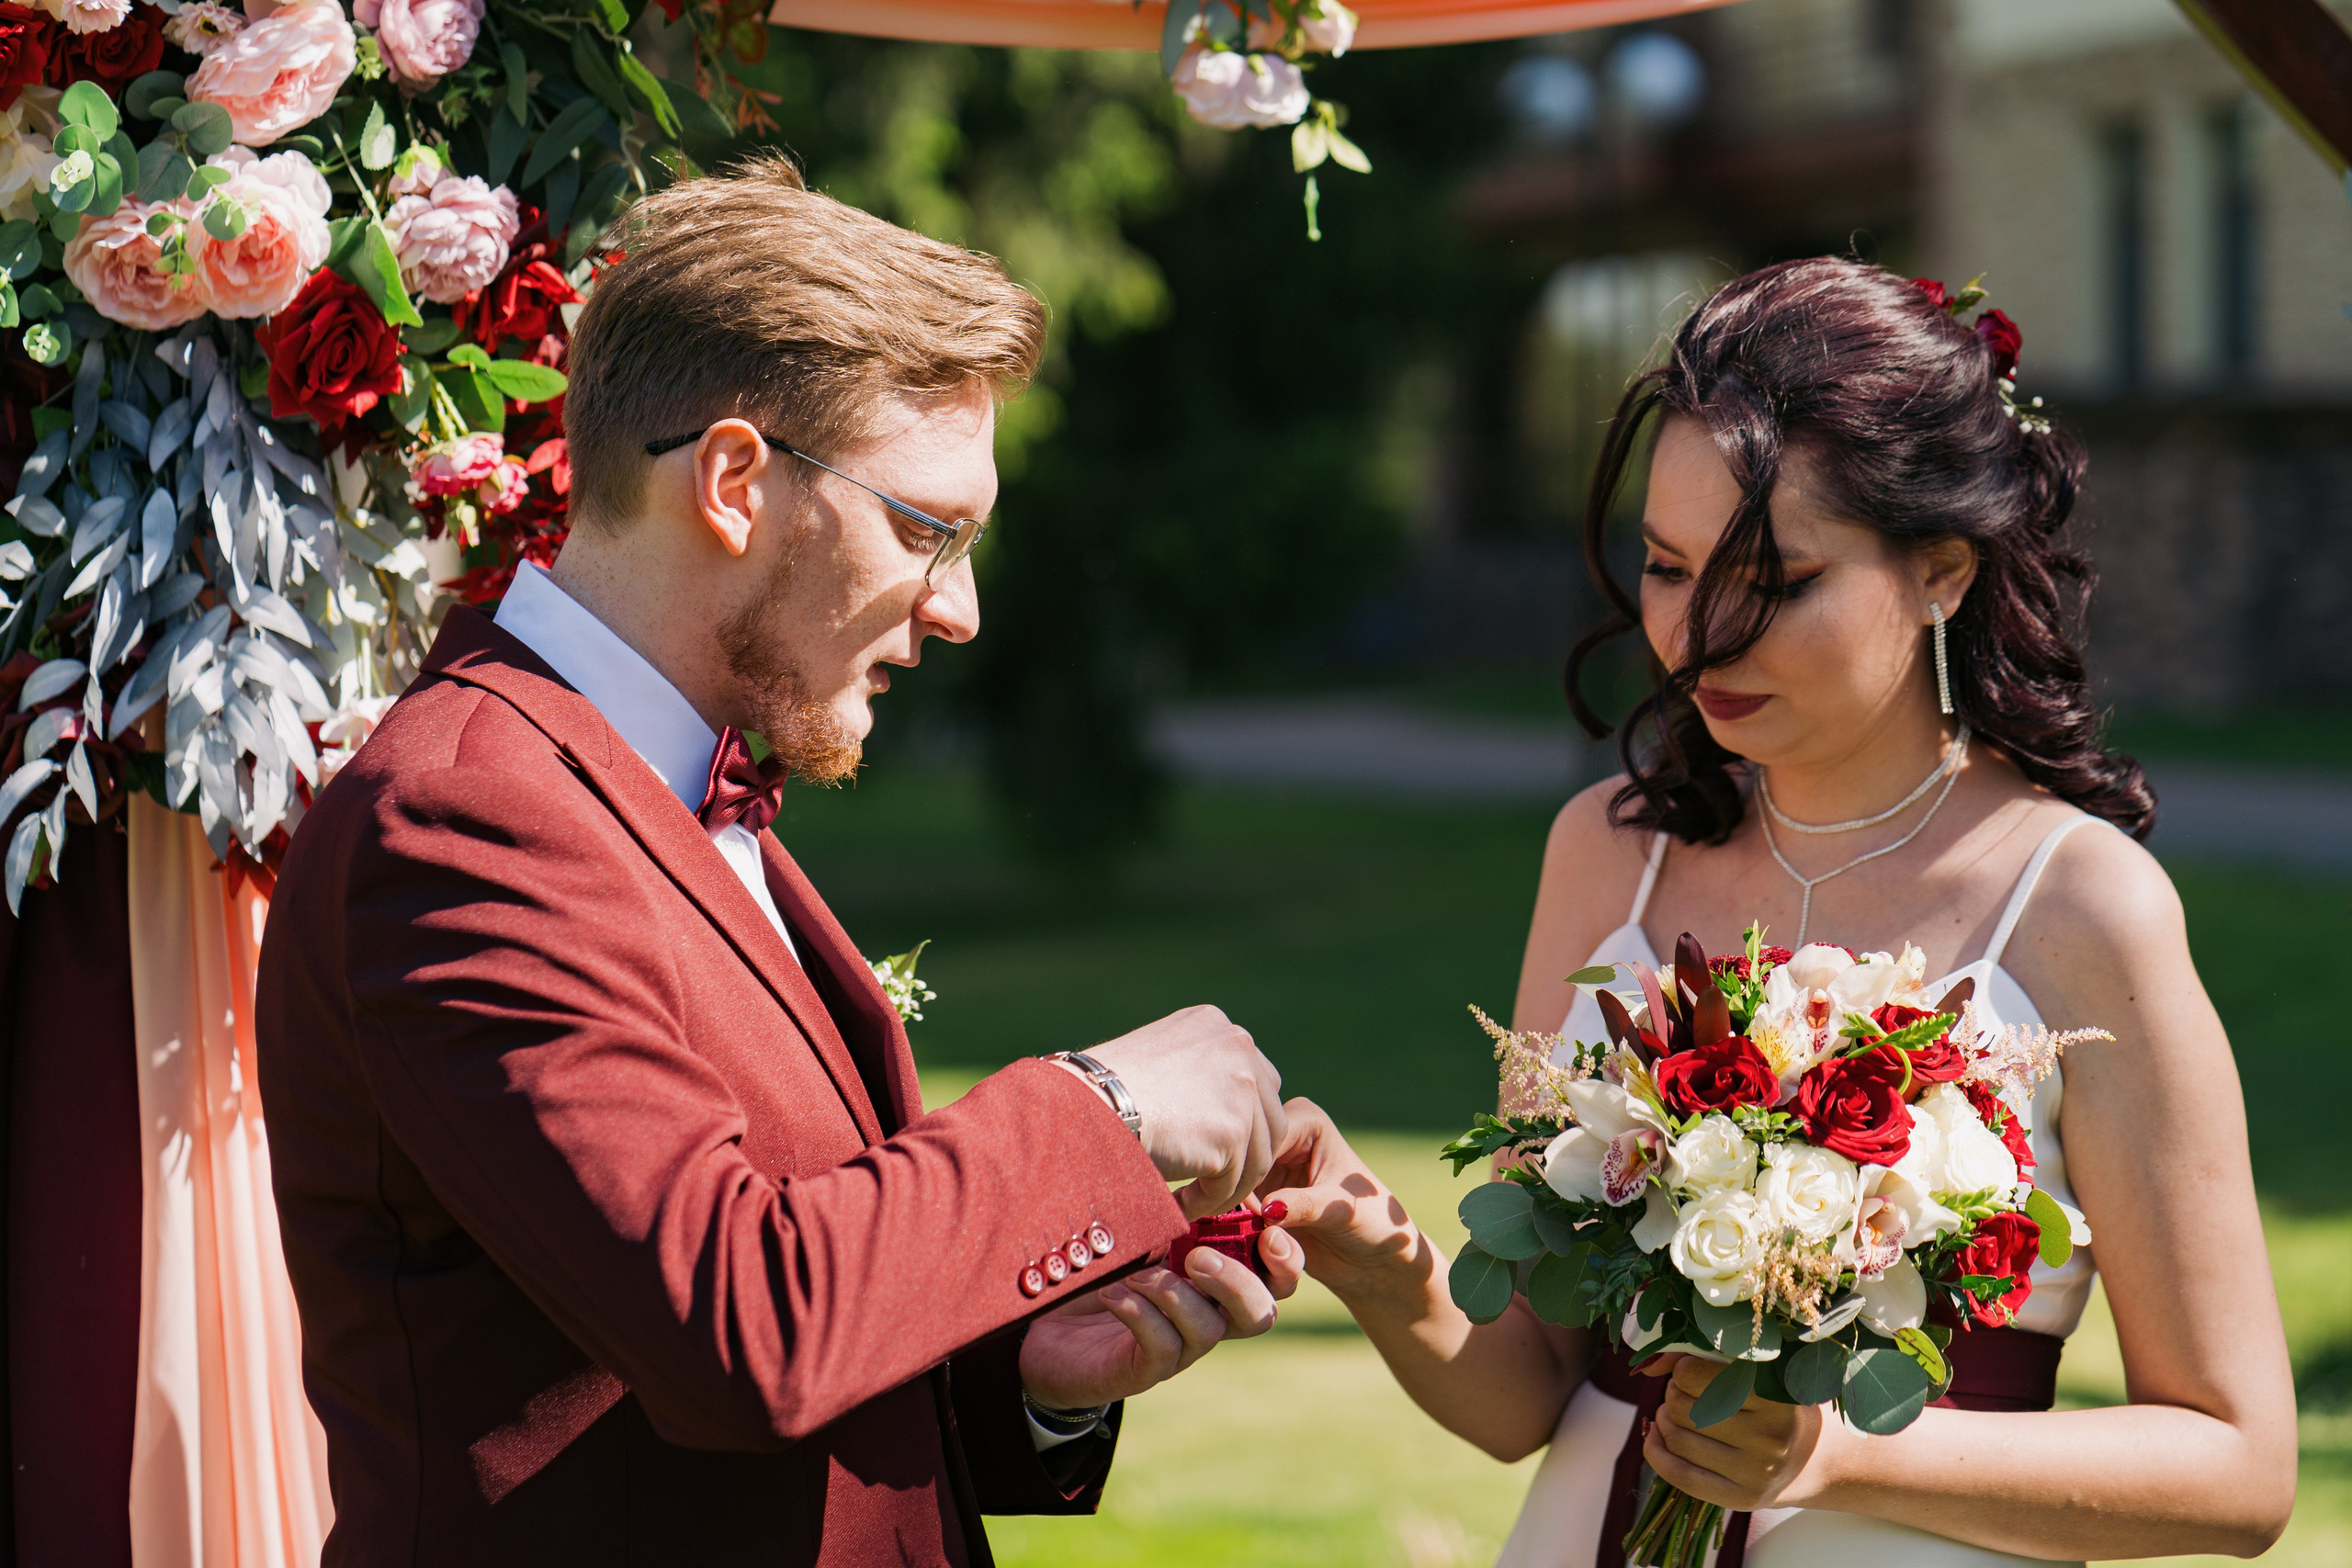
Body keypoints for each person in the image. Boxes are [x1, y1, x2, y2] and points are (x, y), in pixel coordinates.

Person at [255, 154, 1303, 1566]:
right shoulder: (461, 824)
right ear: (738, 481)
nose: (962, 613)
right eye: (932, 531)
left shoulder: (668, 795)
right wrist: (1099, 1109)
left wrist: (1027, 1378)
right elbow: (740, 1327)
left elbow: (716, 1312)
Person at [1261, 258, 2296, 1565]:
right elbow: (1524, 1392)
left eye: (1779, 579)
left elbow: (2241, 1465)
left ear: (1942, 572)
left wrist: (1847, 1449)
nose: (1700, 639)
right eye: (1667, 566)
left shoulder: (2085, 907)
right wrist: (1379, 1256)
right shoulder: (1603, 858)